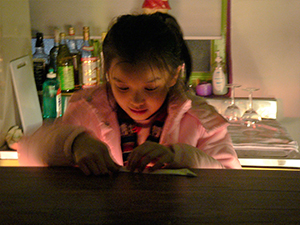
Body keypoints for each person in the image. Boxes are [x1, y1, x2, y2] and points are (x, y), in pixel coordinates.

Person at [17, 13, 241, 175]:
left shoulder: (200, 119)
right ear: (107, 74)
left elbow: (231, 179)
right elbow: (27, 151)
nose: (136, 101)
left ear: (174, 75)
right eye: (122, 87)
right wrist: (75, 143)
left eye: (150, 88)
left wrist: (179, 156)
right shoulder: (87, 108)